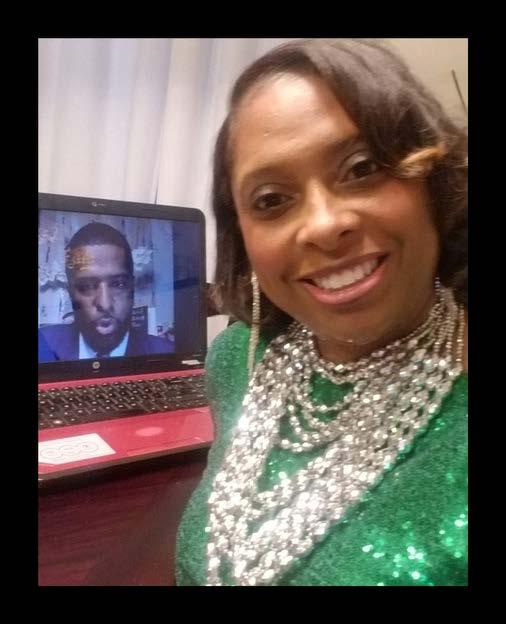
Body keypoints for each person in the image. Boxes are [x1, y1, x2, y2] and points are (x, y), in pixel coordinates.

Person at [176, 39, 467, 586]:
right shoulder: (237, 359)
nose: (324, 225)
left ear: (434, 183)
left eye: (361, 168)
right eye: (271, 200)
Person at [39, 222, 174, 361]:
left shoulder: (167, 353)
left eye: (118, 284)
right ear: (70, 293)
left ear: (132, 289)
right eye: (87, 286)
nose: (105, 304)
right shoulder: (42, 346)